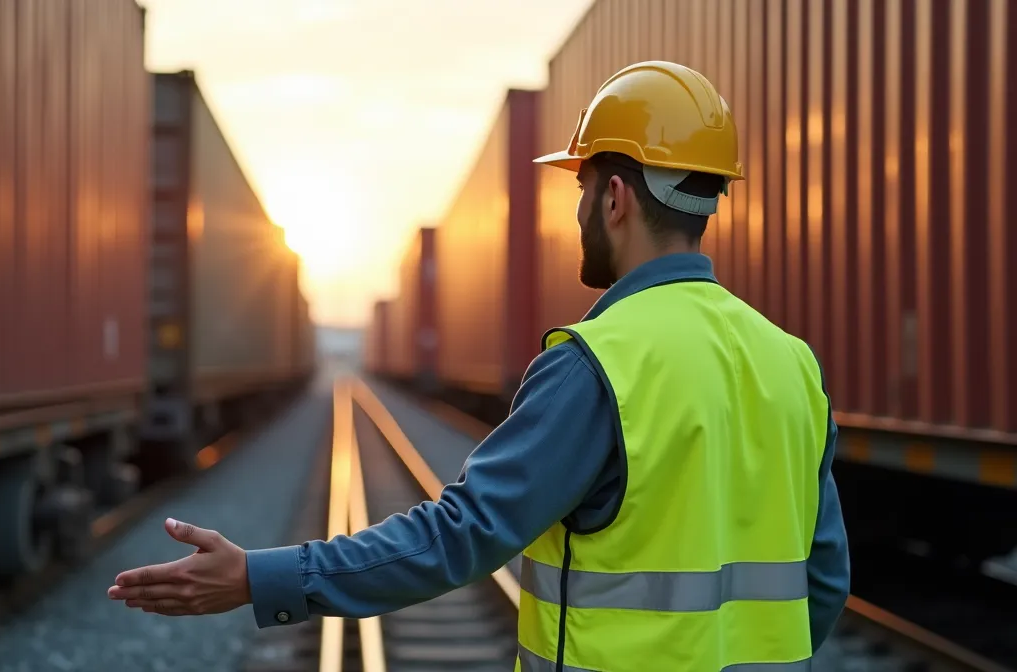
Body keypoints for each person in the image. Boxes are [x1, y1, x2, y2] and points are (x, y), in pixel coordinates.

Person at [107, 60, 850, 671]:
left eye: (582, 188)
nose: (580, 209)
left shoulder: (600, 365)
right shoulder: (793, 366)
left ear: (616, 197)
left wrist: (260, 576)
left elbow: (461, 534)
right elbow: (822, 583)